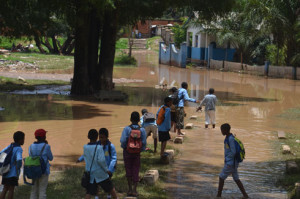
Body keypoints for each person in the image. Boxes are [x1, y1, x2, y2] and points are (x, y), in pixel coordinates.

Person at [77, 128, 117, 199]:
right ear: (97, 137)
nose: (101, 139)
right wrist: (106, 170)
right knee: (109, 187)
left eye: (102, 137)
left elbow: (113, 158)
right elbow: (101, 161)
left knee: (89, 191)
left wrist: (110, 169)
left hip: (92, 171)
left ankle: (107, 195)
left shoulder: (86, 146)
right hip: (101, 171)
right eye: (100, 137)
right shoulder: (98, 147)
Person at [217, 123, 249, 198]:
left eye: (222, 130)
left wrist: (227, 159)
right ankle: (245, 196)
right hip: (233, 163)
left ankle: (218, 196)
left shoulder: (230, 139)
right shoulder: (229, 137)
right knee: (236, 179)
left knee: (221, 178)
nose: (221, 131)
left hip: (231, 163)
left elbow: (233, 152)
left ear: (225, 130)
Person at [120, 112, 146, 197]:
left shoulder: (126, 129)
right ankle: (135, 190)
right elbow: (144, 142)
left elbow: (123, 141)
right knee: (136, 169)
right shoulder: (142, 130)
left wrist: (125, 148)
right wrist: (140, 150)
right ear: (139, 120)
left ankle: (129, 189)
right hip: (137, 153)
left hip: (127, 152)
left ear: (130, 119)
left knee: (128, 169)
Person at [29, 129, 53, 199]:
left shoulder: (30, 146)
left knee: (33, 190)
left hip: (33, 170)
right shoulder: (46, 146)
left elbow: (31, 157)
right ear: (44, 137)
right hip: (44, 171)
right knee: (42, 190)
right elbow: (51, 158)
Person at [0, 131, 25, 199]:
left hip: (5, 171)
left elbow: (1, 153)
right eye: (23, 139)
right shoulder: (19, 148)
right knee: (11, 189)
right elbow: (19, 159)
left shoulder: (10, 145)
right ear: (20, 140)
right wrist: (19, 167)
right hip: (13, 173)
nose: (24, 141)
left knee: (5, 188)